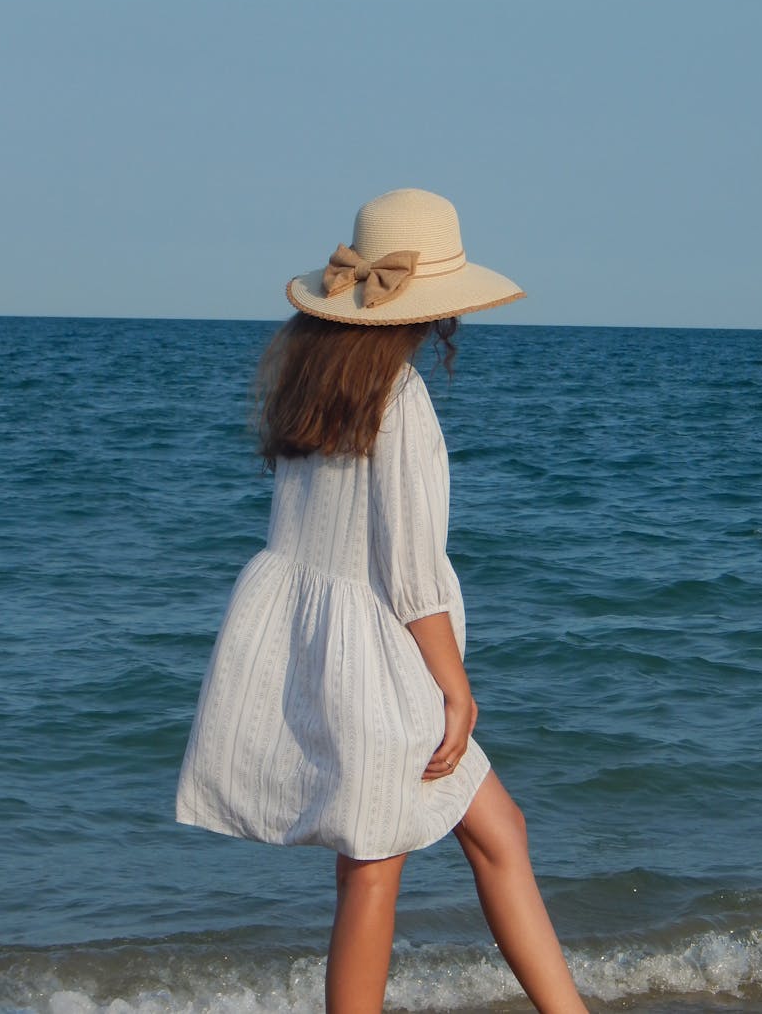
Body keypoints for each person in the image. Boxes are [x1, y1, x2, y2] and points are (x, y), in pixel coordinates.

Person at [176, 188, 588, 1014]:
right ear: (435, 309)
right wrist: (456, 688)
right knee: (372, 872)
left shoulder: (313, 387)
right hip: (382, 661)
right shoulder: (399, 405)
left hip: (322, 644)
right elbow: (410, 573)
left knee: (496, 831)